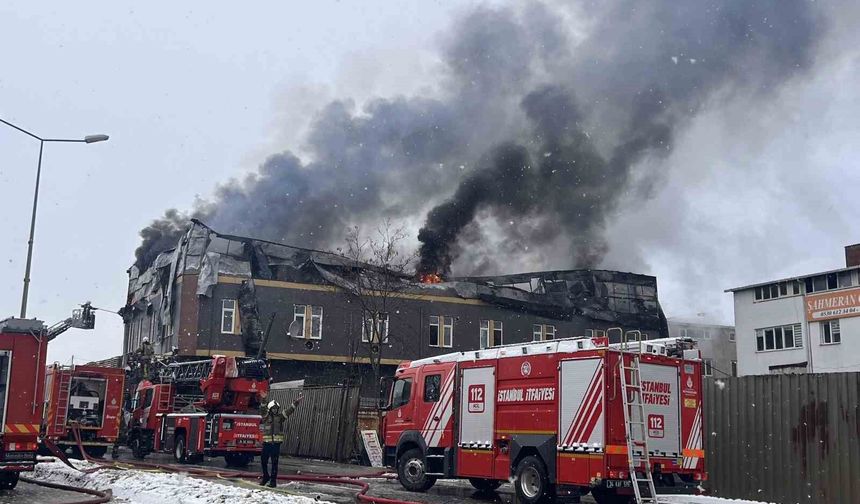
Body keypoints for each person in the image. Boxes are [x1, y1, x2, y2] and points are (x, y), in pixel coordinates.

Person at [260, 394, 303, 488]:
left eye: (276, 408)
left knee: (274, 463)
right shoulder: (266, 417)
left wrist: (296, 403)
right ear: (270, 409)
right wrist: (263, 399)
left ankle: (273, 481)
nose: (275, 410)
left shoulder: (280, 417)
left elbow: (289, 411)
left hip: (276, 445)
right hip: (267, 444)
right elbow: (262, 409)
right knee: (263, 461)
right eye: (273, 408)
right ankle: (266, 476)